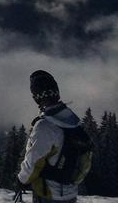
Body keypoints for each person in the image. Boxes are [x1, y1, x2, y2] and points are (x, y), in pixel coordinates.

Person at [18, 70, 92, 203]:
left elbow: (33, 162)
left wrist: (21, 180)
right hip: (70, 194)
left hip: (48, 194)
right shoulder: (73, 122)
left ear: (36, 97)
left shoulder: (45, 126)